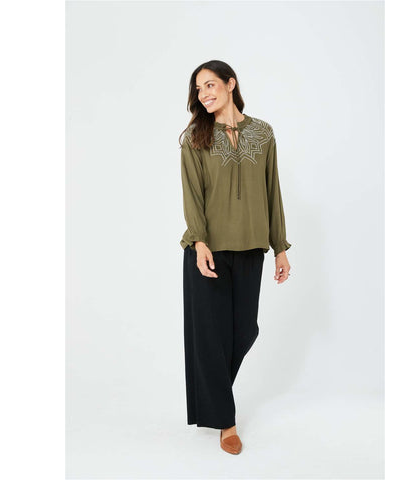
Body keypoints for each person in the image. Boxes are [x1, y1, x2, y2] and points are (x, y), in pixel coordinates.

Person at [179, 60, 292, 454]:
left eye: (210, 85)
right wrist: (199, 242)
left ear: (230, 84)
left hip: (251, 248)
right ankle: (226, 422)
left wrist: (280, 246)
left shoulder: (263, 133)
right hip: (208, 250)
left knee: (244, 331)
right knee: (211, 338)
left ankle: (209, 398)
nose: (203, 94)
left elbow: (272, 190)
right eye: (198, 89)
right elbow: (192, 194)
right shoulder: (195, 137)